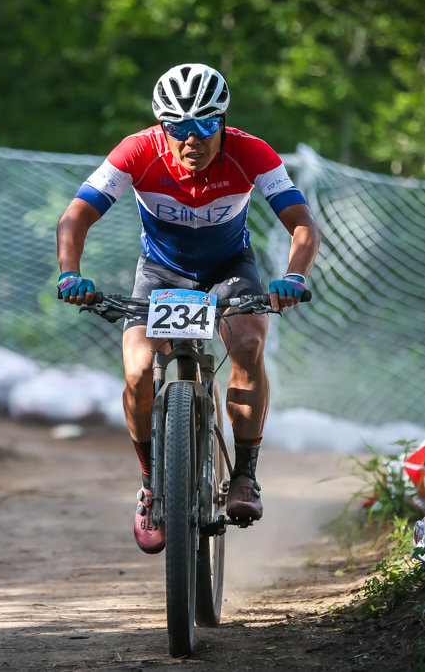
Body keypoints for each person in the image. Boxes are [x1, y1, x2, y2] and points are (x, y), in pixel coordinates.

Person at [54, 64, 321, 554]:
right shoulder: (137, 151)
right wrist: (70, 272)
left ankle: (244, 474)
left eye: (204, 126)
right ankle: (152, 485)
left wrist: (295, 276)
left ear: (222, 121)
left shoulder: (251, 152)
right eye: (177, 127)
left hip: (230, 270)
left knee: (247, 343)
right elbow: (76, 216)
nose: (191, 139)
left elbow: (302, 224)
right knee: (137, 370)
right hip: (161, 274)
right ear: (161, 126)